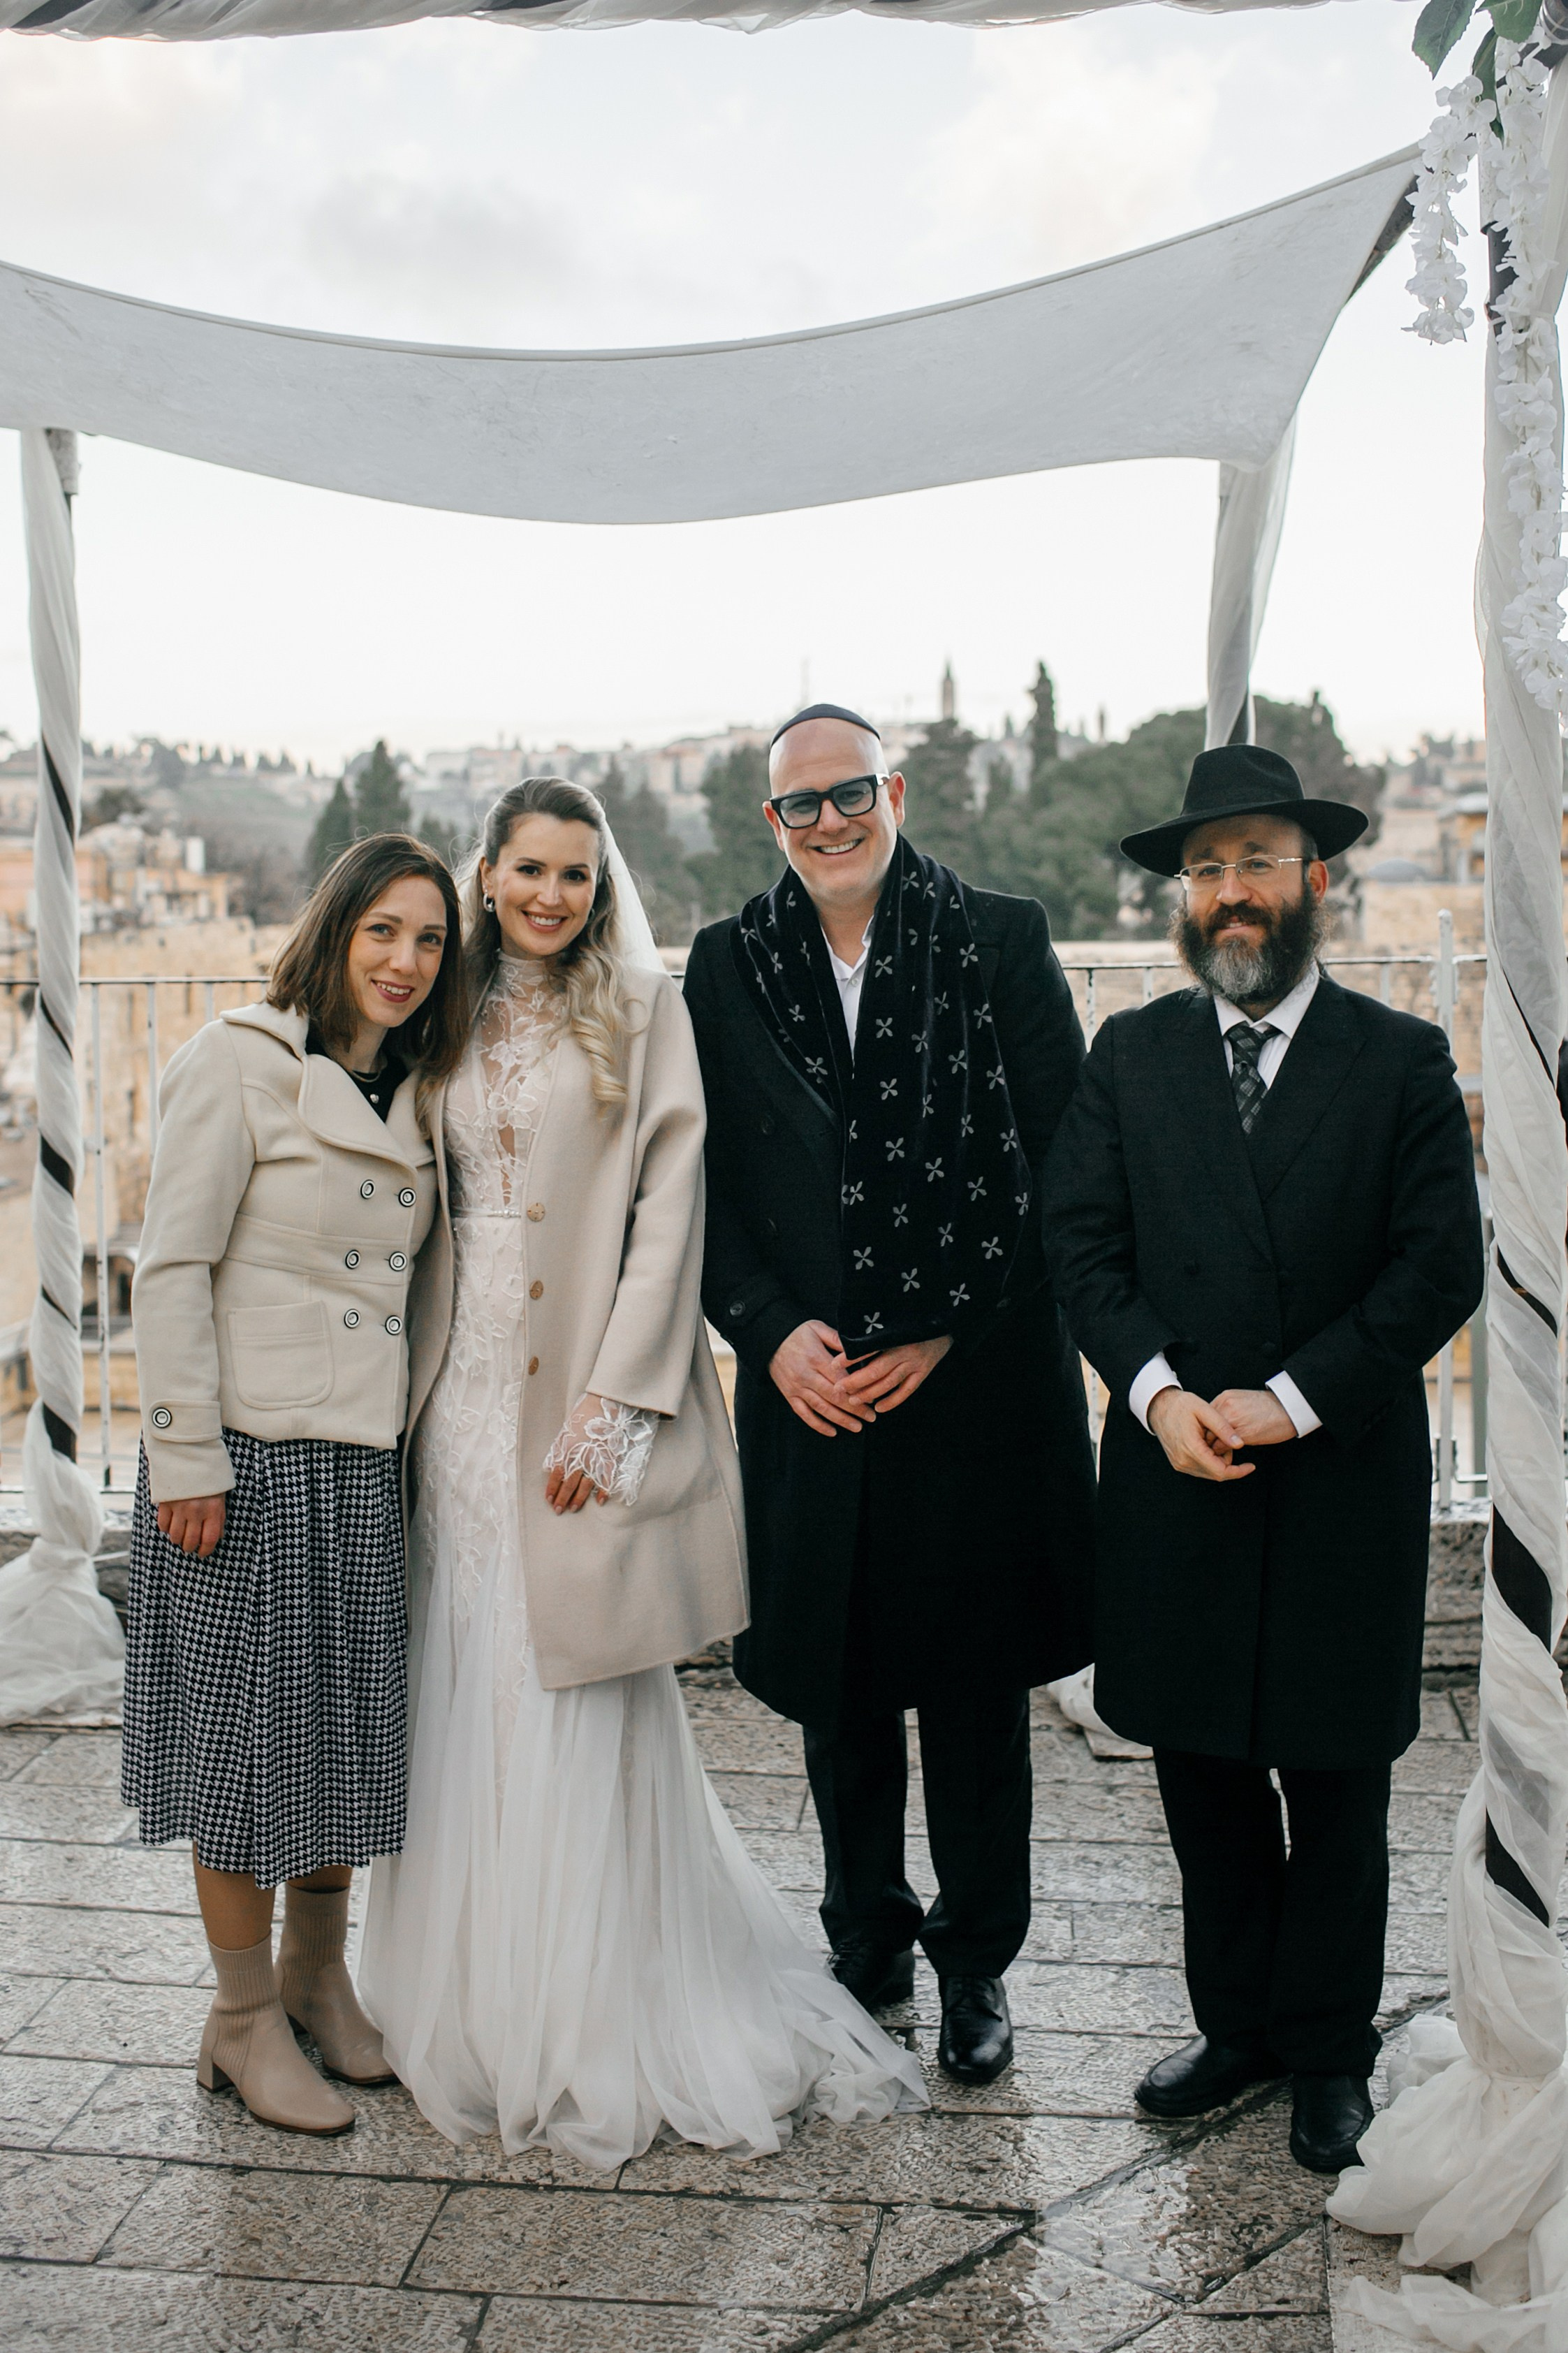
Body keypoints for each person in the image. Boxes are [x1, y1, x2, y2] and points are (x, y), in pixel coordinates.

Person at [358, 775, 923, 2169]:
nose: (550, 894)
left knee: (569, 1675)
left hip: (578, 1391)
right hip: (453, 1400)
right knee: (460, 1669)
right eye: (527, 869)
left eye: (575, 873)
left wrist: (614, 1409)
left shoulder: (641, 1007)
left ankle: (593, 2005)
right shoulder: (442, 1009)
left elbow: (674, 1215)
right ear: (488, 875)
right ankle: (472, 1995)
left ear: (597, 885)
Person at [1042, 743, 1484, 2176]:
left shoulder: (1400, 1057)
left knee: (1335, 1779)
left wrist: (1290, 1401)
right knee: (1201, 1771)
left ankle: (1327, 2051)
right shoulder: (1130, 1054)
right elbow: (1080, 1248)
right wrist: (1160, 1395)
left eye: (1256, 862)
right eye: (1205, 869)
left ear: (1316, 879)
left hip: (1337, 1474)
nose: (1229, 892)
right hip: (1174, 1472)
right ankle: (1233, 2026)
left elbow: (1437, 1268)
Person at [682, 705, 1094, 2088]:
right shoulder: (728, 964)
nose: (829, 821)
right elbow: (700, 1189)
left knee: (975, 1697)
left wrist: (943, 1327)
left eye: (849, 792)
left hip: (974, 1388)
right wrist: (768, 1334)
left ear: (895, 791)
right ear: (772, 823)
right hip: (812, 1392)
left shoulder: (1000, 939)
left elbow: (1060, 1163)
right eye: (800, 804)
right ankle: (865, 1942)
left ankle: (976, 1963)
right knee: (841, 1691)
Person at [124, 833, 469, 2137]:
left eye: (429, 939)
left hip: (361, 1464)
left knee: (341, 1741)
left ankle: (319, 1982)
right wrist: (184, 1456)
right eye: (383, 930)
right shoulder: (237, 1060)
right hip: (246, 1461)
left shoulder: (420, 1091)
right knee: (243, 1748)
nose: (404, 961)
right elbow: (170, 1266)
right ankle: (240, 2016)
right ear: (333, 930)